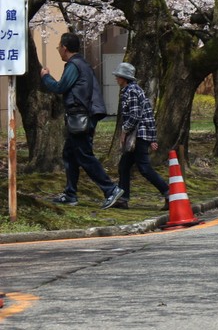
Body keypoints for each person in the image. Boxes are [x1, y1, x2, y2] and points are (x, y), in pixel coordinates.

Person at [42, 32, 124, 209]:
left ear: (64, 48)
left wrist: (45, 76)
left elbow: (60, 87)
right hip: (82, 116)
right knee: (70, 154)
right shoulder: (83, 64)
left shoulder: (74, 65)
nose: (58, 50)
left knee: (84, 155)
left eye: (58, 47)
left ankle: (111, 190)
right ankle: (70, 194)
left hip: (80, 117)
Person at [113, 62, 169, 209]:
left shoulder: (130, 91)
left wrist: (124, 130)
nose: (116, 78)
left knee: (144, 168)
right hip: (142, 135)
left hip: (137, 136)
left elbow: (135, 115)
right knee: (124, 166)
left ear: (124, 78)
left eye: (118, 76)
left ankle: (168, 192)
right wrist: (152, 138)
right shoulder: (135, 89)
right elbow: (148, 114)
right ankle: (123, 199)